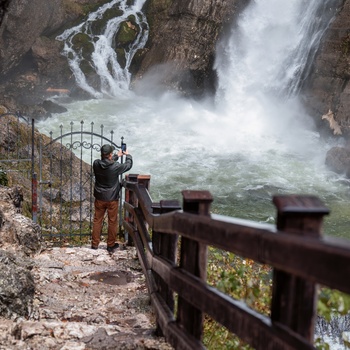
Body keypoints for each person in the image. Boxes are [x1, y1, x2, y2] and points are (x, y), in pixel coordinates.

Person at [91, 144, 133, 252]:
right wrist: (128, 155)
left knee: (97, 220)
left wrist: (117, 155)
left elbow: (105, 163)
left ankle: (95, 244)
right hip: (112, 199)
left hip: (99, 197)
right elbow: (128, 165)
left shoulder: (95, 164)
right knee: (112, 221)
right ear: (110, 154)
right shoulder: (116, 167)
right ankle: (110, 245)